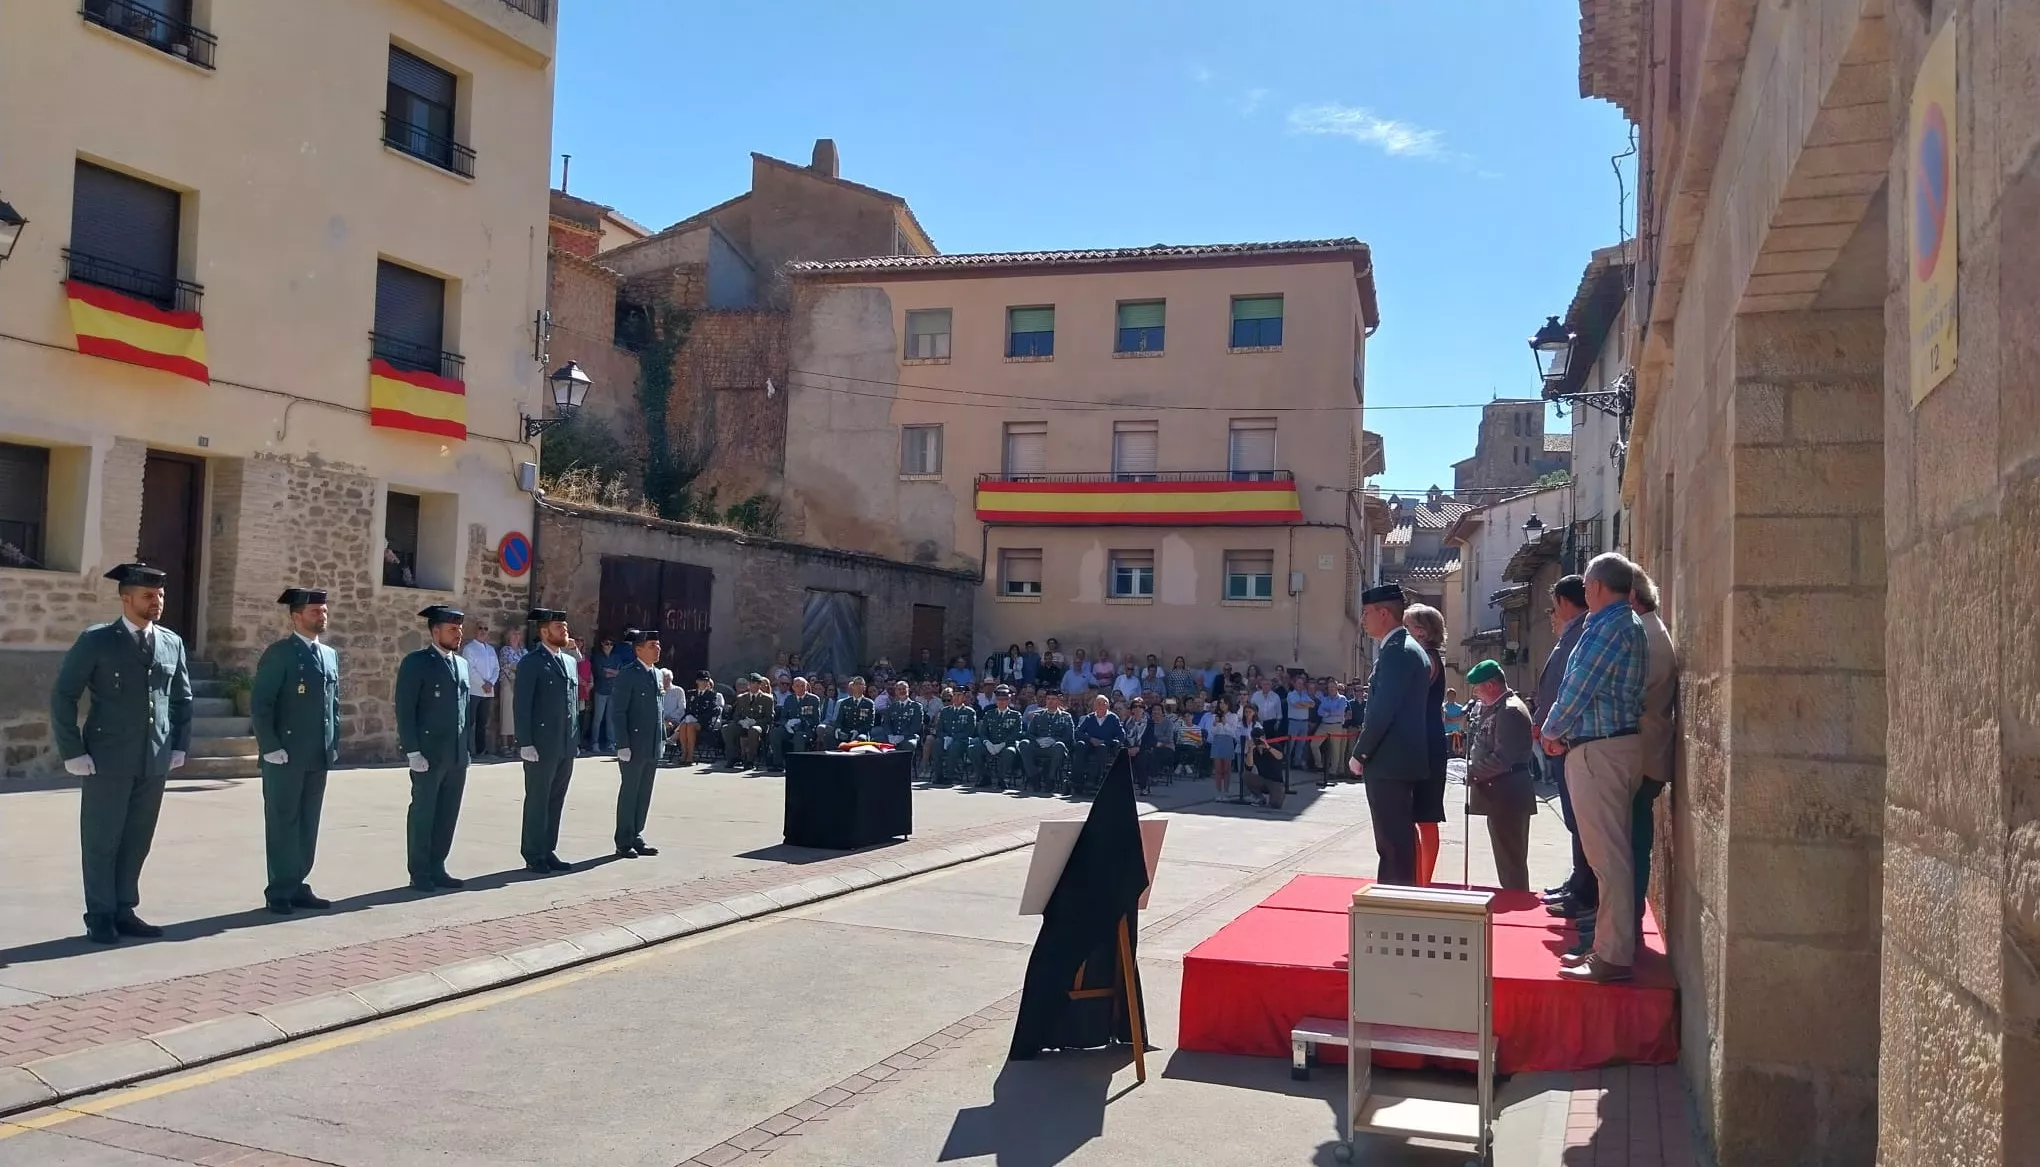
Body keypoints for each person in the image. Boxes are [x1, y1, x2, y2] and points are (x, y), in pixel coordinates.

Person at [50, 563, 192, 945]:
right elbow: (64, 695)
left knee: (137, 837)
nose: (157, 602)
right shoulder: (97, 641)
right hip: (107, 757)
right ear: (125, 598)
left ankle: (124, 908)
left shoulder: (170, 642)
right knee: (102, 837)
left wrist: (179, 743)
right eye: (148, 595)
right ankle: (100, 914)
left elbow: (181, 698)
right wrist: (73, 750)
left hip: (154, 757)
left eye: (161, 595)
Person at [1540, 553, 1649, 984]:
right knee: (1608, 857)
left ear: (1598, 587)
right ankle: (1606, 947)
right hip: (1609, 748)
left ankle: (1611, 956)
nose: (1583, 594)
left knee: (1608, 859)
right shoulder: (1624, 623)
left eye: (1586, 586)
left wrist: (1552, 730)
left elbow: (1580, 684)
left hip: (1599, 751)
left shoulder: (1610, 625)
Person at [250, 587, 339, 914]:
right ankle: (279, 889)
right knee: (283, 821)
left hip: (317, 753)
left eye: (324, 610)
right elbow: (261, 704)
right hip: (285, 754)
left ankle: (298, 881)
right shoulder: (280, 654)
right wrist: (270, 746)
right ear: (296, 616)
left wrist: (333, 743)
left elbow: (334, 706)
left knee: (307, 822)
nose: (322, 615)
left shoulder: (328, 655)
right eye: (315, 611)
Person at [1347, 583, 1432, 885]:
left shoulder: (1398, 652)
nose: (1363, 619)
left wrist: (1360, 753)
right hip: (1398, 758)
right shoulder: (1405, 649)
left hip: (1390, 760)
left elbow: (1383, 711)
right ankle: (1398, 901)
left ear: (1384, 613)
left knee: (1392, 844)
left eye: (1367, 613)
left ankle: (1395, 908)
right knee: (1397, 842)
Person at [395, 605, 472, 892]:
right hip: (428, 753)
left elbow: (465, 711)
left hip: (456, 753)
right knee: (424, 812)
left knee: (447, 813)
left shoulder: (461, 665)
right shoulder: (417, 663)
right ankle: (420, 870)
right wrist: (412, 750)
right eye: (453, 629)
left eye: (460, 629)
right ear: (435, 631)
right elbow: (405, 709)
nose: (458, 634)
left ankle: (438, 865)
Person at [1536, 576, 1597, 919]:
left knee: (1581, 819)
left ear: (1562, 601)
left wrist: (1554, 730)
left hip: (1568, 741)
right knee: (1575, 819)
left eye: (1553, 605)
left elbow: (1570, 688)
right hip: (1560, 740)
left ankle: (1585, 889)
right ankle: (1578, 879)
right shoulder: (1573, 632)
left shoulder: (1581, 633)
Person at [513, 608, 579, 875]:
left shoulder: (570, 661)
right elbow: (522, 705)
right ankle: (533, 853)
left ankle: (548, 848)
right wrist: (525, 741)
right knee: (538, 799)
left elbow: (573, 704)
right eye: (558, 627)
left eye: (564, 626)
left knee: (556, 799)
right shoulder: (532, 662)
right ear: (543, 632)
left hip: (565, 743)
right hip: (541, 743)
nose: (564, 630)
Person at [1463, 659, 1537, 891]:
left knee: (1511, 863)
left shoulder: (1510, 711)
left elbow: (1504, 759)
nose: (1475, 693)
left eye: (1478, 688)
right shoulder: (1498, 707)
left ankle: (1517, 907)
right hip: (1501, 795)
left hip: (1509, 795)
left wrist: (1472, 772)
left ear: (1492, 685)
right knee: (1507, 859)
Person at [1403, 603, 1451, 887]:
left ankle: (1422, 882)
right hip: (1426, 741)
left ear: (1420, 632)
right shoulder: (1427, 657)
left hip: (1425, 744)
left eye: (1407, 627)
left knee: (1425, 816)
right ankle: (1419, 879)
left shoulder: (1426, 660)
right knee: (1420, 817)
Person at [608, 628, 666, 859]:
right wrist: (622, 743)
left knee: (644, 792)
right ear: (638, 649)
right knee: (630, 792)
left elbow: (658, 710)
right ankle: (623, 840)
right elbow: (618, 711)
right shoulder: (628, 674)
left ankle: (636, 834)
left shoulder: (657, 674)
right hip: (633, 743)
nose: (657, 648)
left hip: (652, 743)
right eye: (652, 645)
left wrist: (661, 738)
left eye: (658, 645)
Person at [1020, 690, 1075, 794]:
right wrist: (1038, 740)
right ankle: (1034, 776)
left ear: (1058, 701)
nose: (1050, 702)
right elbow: (1030, 733)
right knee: (1023, 744)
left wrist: (1054, 740)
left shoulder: (1066, 717)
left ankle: (1050, 779)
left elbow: (1069, 737)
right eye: (1048, 699)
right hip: (1039, 746)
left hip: (1054, 749)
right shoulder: (1038, 715)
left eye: (1053, 699)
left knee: (1059, 746)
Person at [1071, 693, 1124, 796]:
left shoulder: (1113, 719)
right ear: (1094, 705)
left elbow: (1121, 736)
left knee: (1102, 748)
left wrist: (1105, 741)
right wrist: (1090, 739)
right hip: (1090, 744)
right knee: (1080, 745)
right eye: (1097, 703)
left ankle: (1092, 779)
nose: (1100, 706)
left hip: (1105, 746)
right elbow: (1078, 732)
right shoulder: (1089, 718)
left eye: (1103, 703)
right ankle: (1077, 779)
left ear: (1107, 705)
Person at [975, 684, 1025, 788]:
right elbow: (983, 732)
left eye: (1004, 699)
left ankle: (1001, 778)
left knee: (1010, 752)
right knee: (973, 749)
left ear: (1008, 700)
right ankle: (985, 776)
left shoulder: (1016, 715)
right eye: (999, 699)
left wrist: (1003, 744)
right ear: (996, 700)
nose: (1001, 702)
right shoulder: (989, 714)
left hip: (1006, 744)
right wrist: (987, 742)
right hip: (990, 744)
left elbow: (1017, 733)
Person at [460, 622, 498, 760]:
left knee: (483, 722)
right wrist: (483, 683)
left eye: (485, 629)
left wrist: (491, 683)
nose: (483, 631)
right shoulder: (469, 649)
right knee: (470, 722)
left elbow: (496, 669)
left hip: (488, 691)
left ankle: (481, 750)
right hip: (474, 690)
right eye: (480, 628)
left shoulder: (491, 650)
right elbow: (470, 669)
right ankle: (467, 750)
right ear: (475, 631)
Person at [722, 674, 773, 769]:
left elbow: (769, 717)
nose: (754, 685)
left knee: (754, 730)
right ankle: (734, 757)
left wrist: (755, 722)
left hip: (758, 726)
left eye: (756, 683)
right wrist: (741, 721)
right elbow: (736, 715)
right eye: (751, 683)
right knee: (727, 729)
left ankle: (750, 760)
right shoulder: (742, 698)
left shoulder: (767, 699)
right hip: (744, 724)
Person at [771, 676, 824, 767]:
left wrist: (800, 721)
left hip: (805, 729)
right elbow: (783, 717)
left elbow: (816, 720)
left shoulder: (813, 699)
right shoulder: (789, 699)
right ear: (793, 687)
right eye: (797, 686)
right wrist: (787, 724)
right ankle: (777, 763)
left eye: (803, 686)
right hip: (790, 729)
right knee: (775, 732)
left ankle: (796, 765)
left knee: (799, 737)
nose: (800, 688)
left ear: (806, 687)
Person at [678, 671, 724, 764]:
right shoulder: (691, 693)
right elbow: (688, 709)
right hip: (691, 720)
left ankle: (690, 755)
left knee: (690, 726)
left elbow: (714, 711)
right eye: (701, 680)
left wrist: (699, 719)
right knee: (683, 726)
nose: (703, 683)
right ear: (697, 681)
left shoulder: (712, 695)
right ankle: (684, 753)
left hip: (704, 723)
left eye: (705, 681)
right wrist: (688, 717)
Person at [936, 685, 978, 785]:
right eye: (954, 695)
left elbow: (969, 731)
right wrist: (945, 737)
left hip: (962, 741)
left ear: (964, 697)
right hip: (946, 739)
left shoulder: (969, 712)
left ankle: (951, 776)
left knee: (954, 747)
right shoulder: (945, 711)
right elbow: (940, 730)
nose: (956, 697)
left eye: (959, 695)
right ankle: (938, 775)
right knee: (937, 744)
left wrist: (953, 738)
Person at [495, 626, 527, 756]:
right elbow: (506, 665)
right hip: (508, 684)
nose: (516, 636)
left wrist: (518, 668)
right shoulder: (505, 650)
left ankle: (515, 743)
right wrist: (518, 668)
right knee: (507, 714)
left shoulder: (523, 651)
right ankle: (504, 744)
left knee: (517, 715)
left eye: (518, 634)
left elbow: (527, 666)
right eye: (514, 634)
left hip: (521, 686)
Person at [1203, 696, 1242, 796]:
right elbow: (1212, 732)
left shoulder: (1233, 716)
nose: (1222, 705)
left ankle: (1226, 790)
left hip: (1227, 741)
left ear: (1228, 704)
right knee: (1218, 769)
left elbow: (1233, 733)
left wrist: (1225, 724)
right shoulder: (1214, 716)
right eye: (1220, 703)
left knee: (1227, 769)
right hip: (1217, 741)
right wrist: (1215, 724)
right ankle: (1218, 792)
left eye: (1224, 703)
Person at [1243, 725, 1289, 810]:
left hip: (1275, 781)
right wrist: (1250, 749)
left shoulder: (1274, 745)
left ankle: (1279, 793)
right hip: (1262, 779)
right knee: (1246, 776)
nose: (1258, 741)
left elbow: (1280, 757)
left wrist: (1268, 747)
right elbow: (1249, 766)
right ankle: (1260, 797)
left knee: (1275, 805)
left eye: (1259, 738)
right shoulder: (1254, 751)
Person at [1314, 682, 1351, 782]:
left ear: (1336, 688)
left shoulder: (1342, 699)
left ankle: (1333, 771)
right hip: (1324, 725)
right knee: (1314, 744)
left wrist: (1327, 711)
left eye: (1333, 687)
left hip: (1336, 725)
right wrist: (1329, 712)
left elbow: (1339, 712)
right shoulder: (1325, 699)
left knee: (1335, 750)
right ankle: (1320, 765)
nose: (1331, 689)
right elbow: (1319, 711)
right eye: (1329, 687)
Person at [880, 679, 925, 758]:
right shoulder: (892, 707)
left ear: (908, 690)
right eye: (899, 689)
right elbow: (886, 723)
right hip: (893, 736)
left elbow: (916, 725)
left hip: (908, 737)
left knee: (910, 744)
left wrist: (902, 736)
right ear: (896, 692)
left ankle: (907, 769)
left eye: (904, 689)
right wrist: (890, 735)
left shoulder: (916, 706)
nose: (902, 691)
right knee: (877, 742)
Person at [832, 676, 878, 745]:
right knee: (834, 735)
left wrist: (857, 731)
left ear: (864, 688)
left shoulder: (869, 703)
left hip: (861, 733)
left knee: (861, 738)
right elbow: (839, 719)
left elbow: (869, 723)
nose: (858, 686)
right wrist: (838, 728)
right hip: (846, 732)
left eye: (861, 684)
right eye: (856, 684)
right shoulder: (845, 702)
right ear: (852, 686)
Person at [1283, 673, 1315, 771]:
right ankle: (1286, 761)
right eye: (1298, 683)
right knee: (1290, 743)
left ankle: (1297, 762)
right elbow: (1297, 705)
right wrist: (1306, 704)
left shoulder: (1305, 695)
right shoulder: (1291, 694)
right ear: (1294, 684)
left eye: (1302, 684)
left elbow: (1313, 704)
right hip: (1294, 722)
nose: (1300, 685)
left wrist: (1304, 704)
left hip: (1304, 723)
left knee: (1301, 744)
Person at [1443, 688, 1468, 757]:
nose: (1451, 696)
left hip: (1456, 733)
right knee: (1446, 753)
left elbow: (1461, 718)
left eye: (1453, 695)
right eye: (1449, 695)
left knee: (1456, 753)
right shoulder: (1443, 706)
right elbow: (1444, 718)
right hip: (1445, 732)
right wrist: (1454, 719)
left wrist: (1451, 719)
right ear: (1447, 696)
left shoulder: (1460, 707)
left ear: (1455, 696)